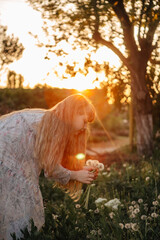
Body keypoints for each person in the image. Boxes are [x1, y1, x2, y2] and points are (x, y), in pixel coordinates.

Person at [0, 93, 97, 240]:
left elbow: (53, 161)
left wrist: (77, 171)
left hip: (13, 157)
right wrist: (75, 175)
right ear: (74, 112)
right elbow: (50, 169)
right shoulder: (54, 122)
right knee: (22, 203)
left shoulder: (52, 119)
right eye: (84, 121)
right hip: (6, 157)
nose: (85, 127)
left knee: (20, 203)